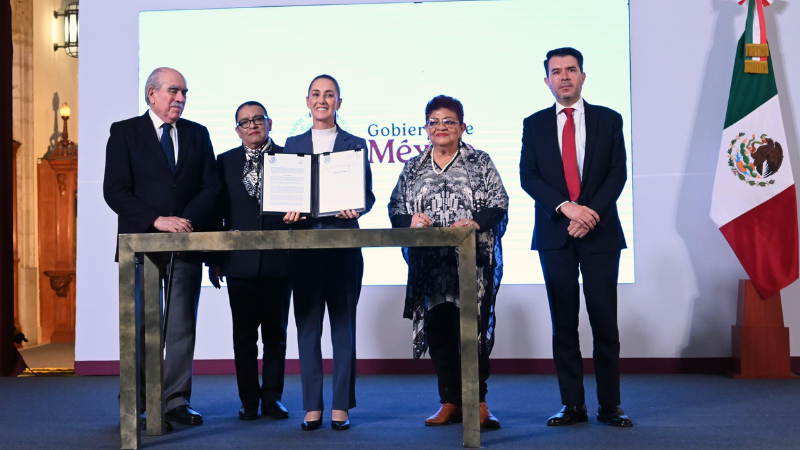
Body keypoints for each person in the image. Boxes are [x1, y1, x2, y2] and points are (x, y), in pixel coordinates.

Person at [519, 47, 632, 427]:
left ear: (583, 76)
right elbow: (529, 177)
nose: (564, 77)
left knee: (604, 322)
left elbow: (617, 173)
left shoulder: (608, 120)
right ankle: (573, 405)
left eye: (571, 70)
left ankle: (610, 405)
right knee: (563, 322)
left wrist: (590, 214)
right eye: (556, 71)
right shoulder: (533, 124)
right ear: (546, 80)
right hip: (555, 234)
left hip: (600, 233)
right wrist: (568, 208)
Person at [103, 67, 220, 427]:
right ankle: (137, 403)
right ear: (151, 94)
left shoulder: (197, 134)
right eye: (173, 91)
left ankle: (175, 401)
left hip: (185, 245)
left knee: (182, 326)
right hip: (141, 247)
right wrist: (157, 221)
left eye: (184, 92)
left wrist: (183, 223)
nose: (180, 99)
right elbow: (115, 190)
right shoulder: (124, 132)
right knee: (139, 327)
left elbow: (211, 188)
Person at [388, 95, 508, 429]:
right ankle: (450, 402)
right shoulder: (413, 166)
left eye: (449, 121)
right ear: (426, 128)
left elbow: (499, 202)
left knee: (475, 333)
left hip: (473, 266)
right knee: (440, 332)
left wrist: (475, 222)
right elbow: (396, 208)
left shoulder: (479, 161)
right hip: (431, 269)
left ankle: (479, 402)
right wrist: (410, 221)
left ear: (462, 126)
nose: (441, 127)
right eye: (434, 122)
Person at [283, 74, 375, 431]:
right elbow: (284, 194)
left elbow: (366, 194)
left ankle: (340, 406)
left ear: (339, 102)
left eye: (330, 94)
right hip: (304, 248)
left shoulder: (355, 144)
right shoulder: (290, 144)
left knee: (343, 328)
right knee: (307, 329)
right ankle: (311, 406)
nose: (322, 100)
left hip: (343, 246)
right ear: (307, 101)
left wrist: (358, 207)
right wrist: (286, 212)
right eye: (316, 94)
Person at [208, 101, 292, 421]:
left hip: (279, 262)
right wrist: (214, 257)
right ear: (237, 130)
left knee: (275, 336)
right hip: (239, 264)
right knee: (243, 338)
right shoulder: (224, 162)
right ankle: (249, 400)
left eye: (258, 119)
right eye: (245, 122)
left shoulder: (289, 159)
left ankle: (272, 397)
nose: (252, 125)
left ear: (269, 123)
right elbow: (217, 213)